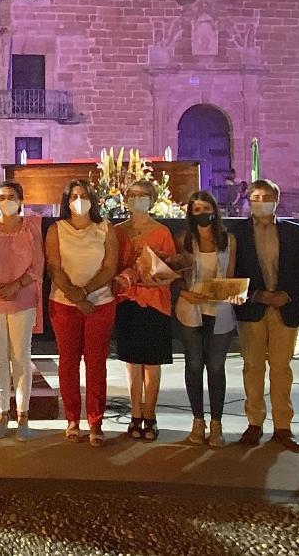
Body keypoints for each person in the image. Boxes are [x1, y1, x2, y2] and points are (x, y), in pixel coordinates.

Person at [230, 179, 299, 452]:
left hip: (285, 306)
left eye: (266, 196)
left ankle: (283, 427)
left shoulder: (296, 232)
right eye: (255, 197)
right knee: (253, 366)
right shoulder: (235, 232)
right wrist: (256, 295)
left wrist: (288, 294)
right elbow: (231, 271)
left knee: (281, 368)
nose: (260, 201)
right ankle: (254, 423)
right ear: (248, 201)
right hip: (253, 307)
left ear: (277, 198)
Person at [46, 179, 118, 448]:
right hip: (64, 303)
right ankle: (73, 419)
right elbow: (54, 266)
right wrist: (75, 296)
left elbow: (110, 267)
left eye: (84, 195)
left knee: (96, 363)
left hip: (99, 303)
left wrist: (86, 293)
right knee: (68, 362)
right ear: (66, 200)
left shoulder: (105, 228)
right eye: (74, 195)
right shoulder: (56, 229)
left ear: (92, 199)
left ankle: (96, 421)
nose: (79, 200)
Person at [111, 180, 180, 443]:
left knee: (152, 363)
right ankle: (135, 413)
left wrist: (150, 276)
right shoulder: (117, 231)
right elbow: (112, 265)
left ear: (152, 199)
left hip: (154, 302)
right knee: (132, 362)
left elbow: (170, 269)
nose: (137, 199)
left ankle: (150, 414)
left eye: (143, 195)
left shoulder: (161, 231)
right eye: (132, 195)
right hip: (127, 301)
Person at [0, 181, 43, 441]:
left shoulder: (30, 228)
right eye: (1, 197)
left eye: (11, 197)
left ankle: (23, 414)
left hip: (22, 298)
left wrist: (16, 285)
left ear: (21, 200)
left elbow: (38, 264)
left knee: (21, 357)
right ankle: (2, 412)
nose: (6, 201)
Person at [174, 191, 241, 448]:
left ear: (214, 210)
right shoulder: (183, 239)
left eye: (206, 208)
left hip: (220, 308)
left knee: (215, 367)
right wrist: (184, 290)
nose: (202, 213)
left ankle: (216, 423)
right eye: (197, 209)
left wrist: (230, 292)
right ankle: (198, 420)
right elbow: (176, 275)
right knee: (193, 364)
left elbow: (231, 275)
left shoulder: (229, 240)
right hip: (191, 308)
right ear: (191, 213)